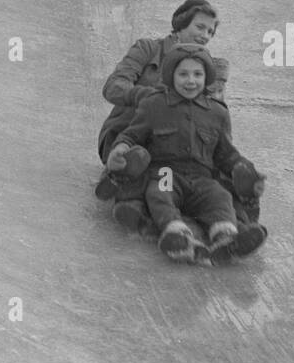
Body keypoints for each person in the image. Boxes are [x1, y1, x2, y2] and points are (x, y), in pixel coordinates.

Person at [106, 46, 267, 264]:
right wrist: (120, 150)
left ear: (206, 77)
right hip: (166, 171)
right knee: (160, 193)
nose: (190, 81)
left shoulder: (217, 113)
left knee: (220, 196)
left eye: (197, 74)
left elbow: (226, 154)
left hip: (201, 177)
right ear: (171, 76)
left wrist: (245, 171)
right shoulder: (154, 104)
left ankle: (227, 239)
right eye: (183, 74)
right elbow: (132, 135)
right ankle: (177, 236)